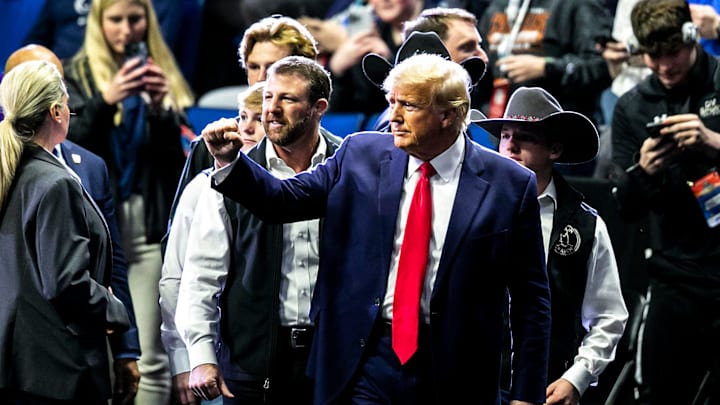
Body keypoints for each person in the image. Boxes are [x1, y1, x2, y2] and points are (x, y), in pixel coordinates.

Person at [204, 52, 552, 405]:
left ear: (449, 114)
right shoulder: (360, 153)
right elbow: (282, 200)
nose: (394, 116)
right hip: (365, 358)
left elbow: (531, 301)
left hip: (457, 370)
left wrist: (527, 394)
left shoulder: (509, 184)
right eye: (392, 102)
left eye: (410, 106)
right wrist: (229, 162)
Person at [176, 55, 342, 405]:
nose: (272, 109)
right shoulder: (230, 176)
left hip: (334, 354)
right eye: (268, 96)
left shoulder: (349, 166)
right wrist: (202, 355)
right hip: (254, 361)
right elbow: (201, 275)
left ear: (318, 107)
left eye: (288, 99)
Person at [63, 0, 195, 403]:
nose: (126, 30)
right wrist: (105, 101)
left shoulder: (163, 71)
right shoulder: (75, 76)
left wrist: (159, 111)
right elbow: (70, 153)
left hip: (145, 218)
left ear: (148, 21)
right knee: (101, 350)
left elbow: (177, 168)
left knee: (149, 356)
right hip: (93, 220)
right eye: (115, 20)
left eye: (135, 19)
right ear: (99, 22)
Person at [3, 43, 142, 405]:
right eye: (68, 103)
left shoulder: (11, 170)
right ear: (56, 111)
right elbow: (66, 282)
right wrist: (114, 308)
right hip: (57, 368)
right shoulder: (56, 181)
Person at [476, 86, 628, 405]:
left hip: (547, 388)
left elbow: (608, 316)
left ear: (554, 150)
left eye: (525, 137)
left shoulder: (585, 225)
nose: (511, 145)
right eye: (504, 135)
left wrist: (577, 378)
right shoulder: (473, 207)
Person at [611, 0, 720, 403]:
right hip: (674, 274)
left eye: (673, 52)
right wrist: (644, 170)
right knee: (658, 393)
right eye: (653, 56)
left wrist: (713, 142)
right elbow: (625, 205)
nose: (664, 66)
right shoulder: (632, 106)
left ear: (692, 38)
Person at [164, 14, 320, 252]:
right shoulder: (210, 147)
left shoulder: (331, 150)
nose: (261, 79)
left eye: (275, 68)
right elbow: (178, 237)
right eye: (253, 67)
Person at [159, 81, 266, 405]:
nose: (245, 127)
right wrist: (183, 359)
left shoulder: (300, 187)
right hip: (212, 359)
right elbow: (177, 279)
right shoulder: (203, 187)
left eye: (258, 119)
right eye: (242, 116)